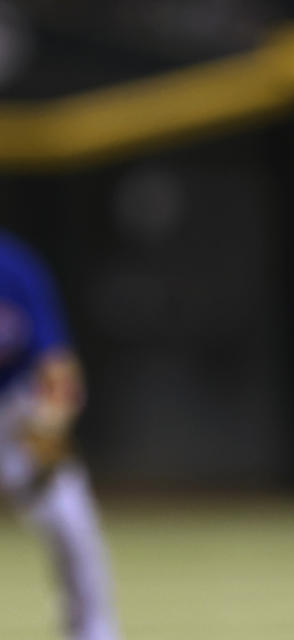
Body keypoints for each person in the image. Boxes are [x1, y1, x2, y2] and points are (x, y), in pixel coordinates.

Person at [0, 229, 121, 640]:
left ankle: (93, 633)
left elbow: (57, 367)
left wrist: (50, 420)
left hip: (15, 411)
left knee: (71, 519)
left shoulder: (14, 266)